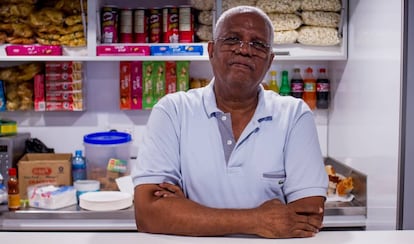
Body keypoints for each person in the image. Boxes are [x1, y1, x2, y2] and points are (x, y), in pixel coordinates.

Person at [132, 5, 328, 239]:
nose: (244, 50)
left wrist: (185, 211)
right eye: (232, 39)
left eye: (258, 44)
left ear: (270, 60)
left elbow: (308, 217)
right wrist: (259, 220)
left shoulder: (294, 115)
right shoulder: (173, 111)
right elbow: (148, 214)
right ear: (212, 50)